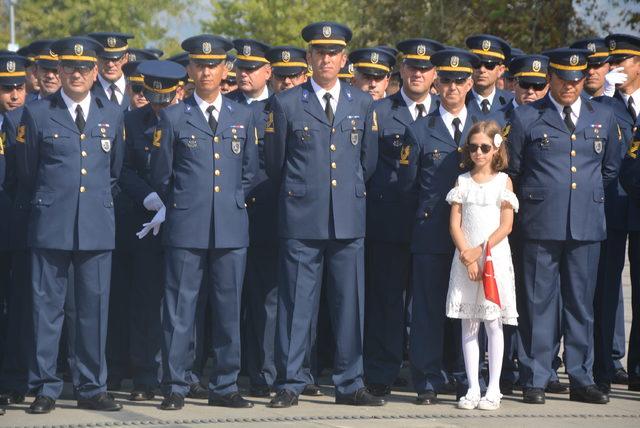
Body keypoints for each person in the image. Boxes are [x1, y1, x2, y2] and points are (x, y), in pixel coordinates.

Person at [264, 21, 382, 408]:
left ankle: (350, 383)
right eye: (320, 52)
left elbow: (369, 162)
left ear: (344, 58)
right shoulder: (285, 103)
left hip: (348, 216)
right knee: (297, 304)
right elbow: (275, 163)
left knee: (350, 304)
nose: (327, 58)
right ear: (309, 58)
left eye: (334, 53)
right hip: (302, 216)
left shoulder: (362, 103)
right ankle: (291, 381)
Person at [507, 47, 620, 405]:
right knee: (538, 303)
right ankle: (536, 376)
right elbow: (515, 167)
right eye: (562, 79)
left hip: (586, 223)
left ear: (583, 79)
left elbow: (610, 168)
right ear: (550, 79)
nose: (570, 86)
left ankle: (580, 376)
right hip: (540, 223)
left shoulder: (602, 115)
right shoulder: (527, 117)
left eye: (576, 80)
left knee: (581, 305)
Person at [150, 34, 257, 411]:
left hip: (230, 226)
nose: (207, 70)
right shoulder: (174, 116)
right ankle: (175, 385)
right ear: (190, 69)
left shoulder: (242, 115)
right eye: (200, 64)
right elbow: (162, 175)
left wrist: (228, 202)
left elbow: (250, 172)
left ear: (225, 68)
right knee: (180, 310)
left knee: (228, 310)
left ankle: (225, 385)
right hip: (186, 226)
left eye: (214, 64)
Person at [19, 36, 125, 414]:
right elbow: (28, 172)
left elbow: (114, 173)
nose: (76, 74)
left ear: (96, 72)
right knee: (47, 309)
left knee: (93, 311)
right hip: (51, 223)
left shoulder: (111, 113)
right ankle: (46, 386)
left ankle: (92, 386)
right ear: (58, 71)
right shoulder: (37, 114)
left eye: (84, 68)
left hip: (95, 225)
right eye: (69, 67)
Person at [399, 48, 482, 405]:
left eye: (459, 80)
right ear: (436, 82)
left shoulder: (486, 127)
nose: (451, 87)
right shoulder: (418, 130)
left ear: (469, 84)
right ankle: (428, 380)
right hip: (432, 233)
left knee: (468, 311)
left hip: (473, 235)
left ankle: (465, 378)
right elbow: (406, 186)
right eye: (445, 79)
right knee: (429, 311)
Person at [364, 38, 443, 398]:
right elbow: (366, 166)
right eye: (411, 67)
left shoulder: (447, 112)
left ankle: (429, 371)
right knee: (387, 301)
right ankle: (382, 370)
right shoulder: (379, 111)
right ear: (401, 71)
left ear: (435, 74)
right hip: (389, 220)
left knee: (428, 302)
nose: (417, 73)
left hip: (433, 224)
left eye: (425, 68)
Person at [117, 59, 185, 402]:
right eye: (152, 98)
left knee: (183, 302)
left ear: (179, 93)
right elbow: (123, 169)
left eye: (166, 99)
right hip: (146, 225)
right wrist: (148, 196)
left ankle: (179, 374)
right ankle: (145, 376)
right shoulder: (130, 122)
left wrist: (173, 203)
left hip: (186, 222)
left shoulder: (189, 117)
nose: (159, 106)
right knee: (145, 301)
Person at [445, 120, 518, 410]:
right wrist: (466, 254)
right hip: (466, 261)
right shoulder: (462, 182)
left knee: (493, 322)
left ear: (496, 148)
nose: (478, 152)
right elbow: (455, 224)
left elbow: (506, 225)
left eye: (484, 147)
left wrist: (479, 251)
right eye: (473, 147)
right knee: (469, 324)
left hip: (493, 259)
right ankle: (473, 387)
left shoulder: (504, 181)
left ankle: (494, 388)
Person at [592, 33, 640, 393]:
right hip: (609, 203)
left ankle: (637, 366)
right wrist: (604, 97)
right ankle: (604, 364)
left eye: (625, 59)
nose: (617, 66)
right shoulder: (604, 103)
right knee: (604, 287)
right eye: (614, 61)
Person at [465, 35, 513, 118]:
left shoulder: (511, 102)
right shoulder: (459, 101)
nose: (482, 70)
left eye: (489, 65)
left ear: (500, 70)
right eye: (477, 64)